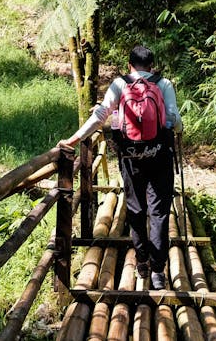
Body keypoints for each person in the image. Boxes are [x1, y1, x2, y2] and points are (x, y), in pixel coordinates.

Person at [74, 45, 182, 290]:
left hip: (131, 157)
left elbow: (101, 115)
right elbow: (173, 119)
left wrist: (75, 138)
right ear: (151, 65)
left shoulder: (120, 84)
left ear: (129, 64)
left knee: (135, 208)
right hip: (159, 157)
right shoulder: (163, 84)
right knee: (159, 212)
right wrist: (179, 130)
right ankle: (157, 272)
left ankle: (141, 260)